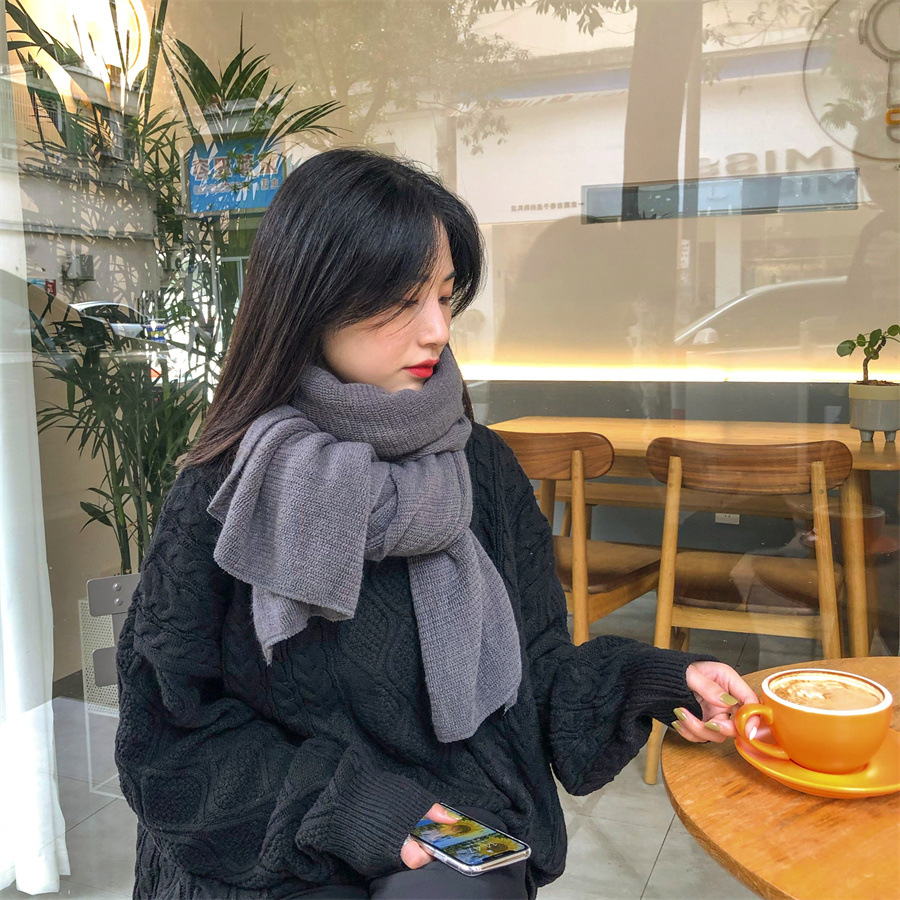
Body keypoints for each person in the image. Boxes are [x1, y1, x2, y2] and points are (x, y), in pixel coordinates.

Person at [115, 148, 758, 900]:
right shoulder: (231, 485)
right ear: (310, 300)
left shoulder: (481, 467)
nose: (436, 330)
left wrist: (657, 680)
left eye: (446, 298)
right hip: (277, 843)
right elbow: (169, 739)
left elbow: (535, 667)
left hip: (452, 821)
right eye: (403, 301)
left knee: (460, 884)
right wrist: (359, 810)